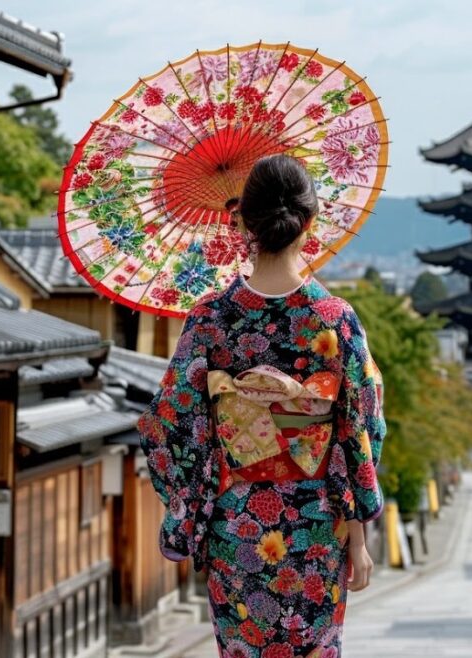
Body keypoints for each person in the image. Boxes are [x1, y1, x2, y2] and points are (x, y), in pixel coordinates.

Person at [138, 155, 385, 657]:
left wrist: (195, 508)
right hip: (317, 524)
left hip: (237, 525)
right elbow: (359, 429)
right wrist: (357, 538)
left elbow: (171, 422)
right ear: (309, 223)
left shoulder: (210, 319)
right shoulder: (335, 320)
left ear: (242, 223)